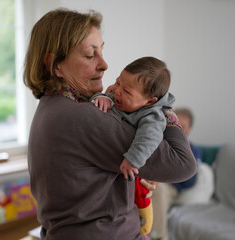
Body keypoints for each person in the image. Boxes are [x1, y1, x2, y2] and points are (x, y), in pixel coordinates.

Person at [23, 8, 197, 240]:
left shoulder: (51, 108)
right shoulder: (83, 117)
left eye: (102, 51)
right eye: (89, 55)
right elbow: (183, 164)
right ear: (55, 64)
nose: (104, 64)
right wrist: (163, 107)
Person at [90, 56, 175, 235]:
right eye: (118, 82)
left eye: (127, 91)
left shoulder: (152, 116)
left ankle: (149, 229)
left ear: (149, 101)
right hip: (116, 172)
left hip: (138, 168)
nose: (117, 91)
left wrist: (133, 160)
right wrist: (102, 98)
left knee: (142, 196)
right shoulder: (116, 96)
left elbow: (148, 138)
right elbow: (100, 101)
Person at [150, 107, 202, 240]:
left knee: (159, 190)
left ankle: (159, 236)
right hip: (152, 181)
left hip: (170, 187)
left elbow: (189, 181)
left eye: (183, 126)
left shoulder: (193, 150)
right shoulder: (159, 143)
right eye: (175, 124)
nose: (178, 129)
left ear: (189, 130)